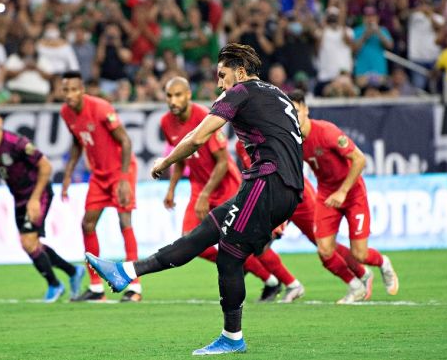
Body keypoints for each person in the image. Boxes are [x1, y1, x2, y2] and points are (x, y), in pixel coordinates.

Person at [87, 43, 304, 354]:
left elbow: (198, 137)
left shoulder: (239, 92)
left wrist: (164, 162)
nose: (219, 83)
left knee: (229, 255)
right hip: (280, 186)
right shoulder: (276, 93)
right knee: (203, 233)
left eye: (222, 75)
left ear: (240, 72)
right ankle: (127, 272)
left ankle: (232, 337)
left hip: (267, 184)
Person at [161, 77, 305, 303]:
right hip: (199, 187)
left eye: (178, 94)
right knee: (191, 241)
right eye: (169, 96)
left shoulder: (204, 116)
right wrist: (171, 188)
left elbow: (221, 162)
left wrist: (206, 194)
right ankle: (269, 279)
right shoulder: (165, 122)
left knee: (247, 240)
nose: (173, 100)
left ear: (188, 94)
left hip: (225, 186)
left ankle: (290, 282)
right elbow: (182, 157)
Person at [288, 90, 399, 303]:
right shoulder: (294, 142)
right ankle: (355, 286)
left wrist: (343, 191)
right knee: (324, 250)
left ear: (306, 110)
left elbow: (359, 159)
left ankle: (383, 263)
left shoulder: (327, 132)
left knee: (360, 254)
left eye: (296, 111)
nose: (293, 116)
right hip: (327, 195)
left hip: (352, 192)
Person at [235, 138, 374, 303]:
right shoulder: (240, 145)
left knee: (326, 246)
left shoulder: (269, 134)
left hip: (299, 197)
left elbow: (285, 171)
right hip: (272, 200)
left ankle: (362, 273)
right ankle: (293, 285)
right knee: (258, 245)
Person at [0, 105, 85, 302]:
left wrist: (35, 199)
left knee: (28, 242)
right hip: (18, 197)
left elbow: (46, 166)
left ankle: (54, 285)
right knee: (32, 244)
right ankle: (73, 271)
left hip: (38, 192)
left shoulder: (16, 143)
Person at [60, 71, 141, 302]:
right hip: (98, 175)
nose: (70, 94)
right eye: (65, 90)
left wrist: (124, 178)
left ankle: (134, 286)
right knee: (87, 224)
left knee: (124, 221)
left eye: (74, 89)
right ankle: (96, 288)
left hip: (120, 171)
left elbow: (125, 140)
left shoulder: (101, 108)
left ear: (82, 89)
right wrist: (67, 175)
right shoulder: (66, 113)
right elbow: (78, 141)